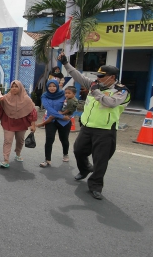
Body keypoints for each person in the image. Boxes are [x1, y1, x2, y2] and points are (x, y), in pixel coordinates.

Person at [58, 53, 131, 200]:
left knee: (100, 160)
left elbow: (109, 103)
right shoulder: (94, 84)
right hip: (87, 127)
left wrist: (95, 90)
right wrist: (66, 63)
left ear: (112, 77)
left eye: (101, 76)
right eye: (97, 76)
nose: (97, 79)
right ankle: (85, 169)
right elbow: (77, 76)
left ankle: (96, 186)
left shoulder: (121, 91)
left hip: (105, 130)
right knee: (78, 151)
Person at [0, 81, 37, 168]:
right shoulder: (5, 98)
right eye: (12, 86)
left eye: (16, 87)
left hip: (22, 123)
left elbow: (32, 111)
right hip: (8, 122)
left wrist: (33, 124)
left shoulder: (27, 99)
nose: (14, 88)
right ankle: (6, 160)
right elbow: (0, 109)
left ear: (20, 88)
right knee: (7, 140)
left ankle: (18, 153)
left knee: (20, 140)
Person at [36, 80, 73, 168]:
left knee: (64, 139)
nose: (52, 88)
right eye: (50, 86)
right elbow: (48, 108)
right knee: (49, 139)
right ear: (47, 87)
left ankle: (65, 154)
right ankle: (47, 160)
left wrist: (68, 115)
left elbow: (72, 105)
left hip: (64, 122)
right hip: (50, 120)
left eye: (54, 86)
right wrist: (61, 116)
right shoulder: (44, 96)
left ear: (57, 86)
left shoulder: (64, 94)